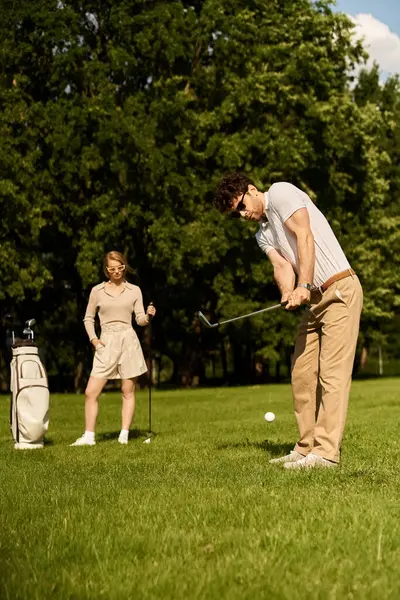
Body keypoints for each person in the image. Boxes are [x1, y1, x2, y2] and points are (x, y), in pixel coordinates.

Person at [214, 173, 363, 469]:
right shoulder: (262, 233)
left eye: (242, 206)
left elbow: (304, 236)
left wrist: (303, 286)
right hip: (315, 301)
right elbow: (281, 265)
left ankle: (326, 454)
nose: (243, 215)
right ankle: (306, 447)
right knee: (302, 373)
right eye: (236, 214)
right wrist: (287, 291)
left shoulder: (281, 193)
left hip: (339, 291)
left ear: (252, 190)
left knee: (332, 376)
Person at [71, 251, 156, 446]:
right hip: (106, 341)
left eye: (120, 268)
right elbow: (88, 318)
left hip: (128, 340)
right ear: (106, 270)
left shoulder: (134, 290)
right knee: (91, 391)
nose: (117, 272)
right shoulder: (97, 291)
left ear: (124, 266)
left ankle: (124, 435)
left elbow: (139, 320)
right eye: (112, 269)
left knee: (128, 390)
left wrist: (149, 316)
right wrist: (93, 339)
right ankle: (89, 436)